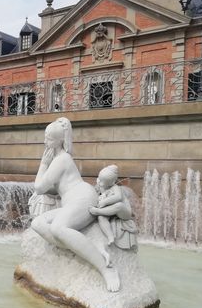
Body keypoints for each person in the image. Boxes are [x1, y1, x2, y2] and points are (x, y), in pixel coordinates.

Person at [30, 118, 120, 292]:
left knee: (58, 228)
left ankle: (106, 268)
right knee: (37, 223)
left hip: (83, 198)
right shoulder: (59, 158)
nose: (44, 142)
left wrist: (43, 164)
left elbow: (39, 187)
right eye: (45, 137)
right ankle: (86, 247)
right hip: (71, 202)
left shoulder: (61, 160)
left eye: (48, 138)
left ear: (58, 141)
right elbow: (58, 189)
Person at [89, 165, 132, 267]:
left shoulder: (115, 187)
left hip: (123, 212)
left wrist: (104, 202)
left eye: (103, 182)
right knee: (101, 217)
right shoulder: (100, 185)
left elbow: (118, 197)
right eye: (99, 179)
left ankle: (97, 211)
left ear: (112, 182)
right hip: (110, 211)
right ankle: (110, 236)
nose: (100, 183)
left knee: (119, 205)